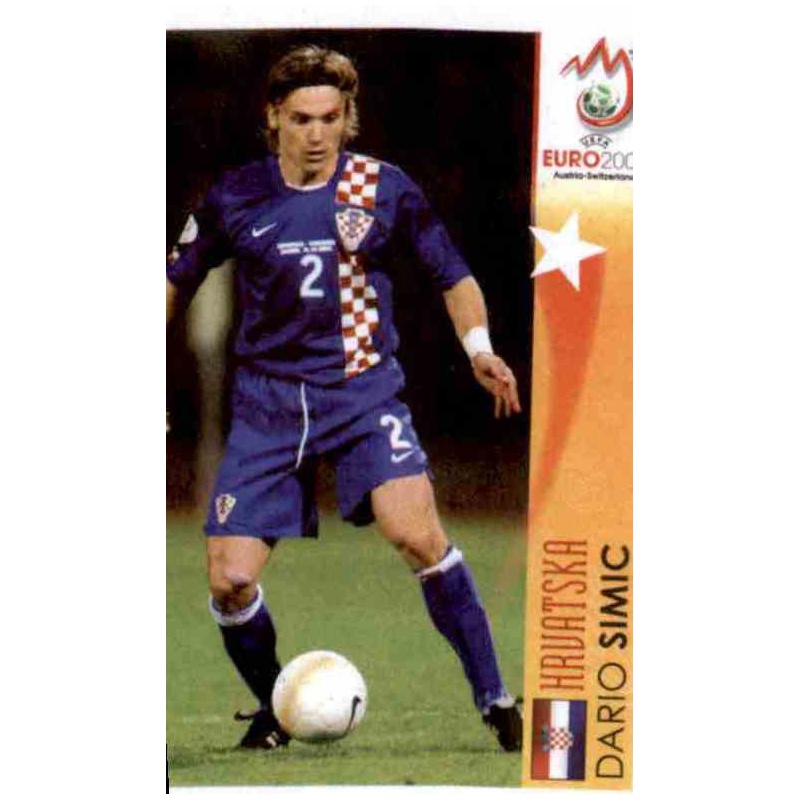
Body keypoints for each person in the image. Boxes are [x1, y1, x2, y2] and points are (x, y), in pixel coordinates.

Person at [166, 45, 523, 752]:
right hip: (268, 405)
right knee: (230, 581)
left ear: (347, 117)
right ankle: (274, 708)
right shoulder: (237, 195)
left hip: (361, 393)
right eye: (302, 119)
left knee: (418, 534)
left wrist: (479, 348)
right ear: (274, 117)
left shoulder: (382, 188)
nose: (317, 134)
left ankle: (496, 700)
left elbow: (452, 275)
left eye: (331, 118)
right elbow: (174, 282)